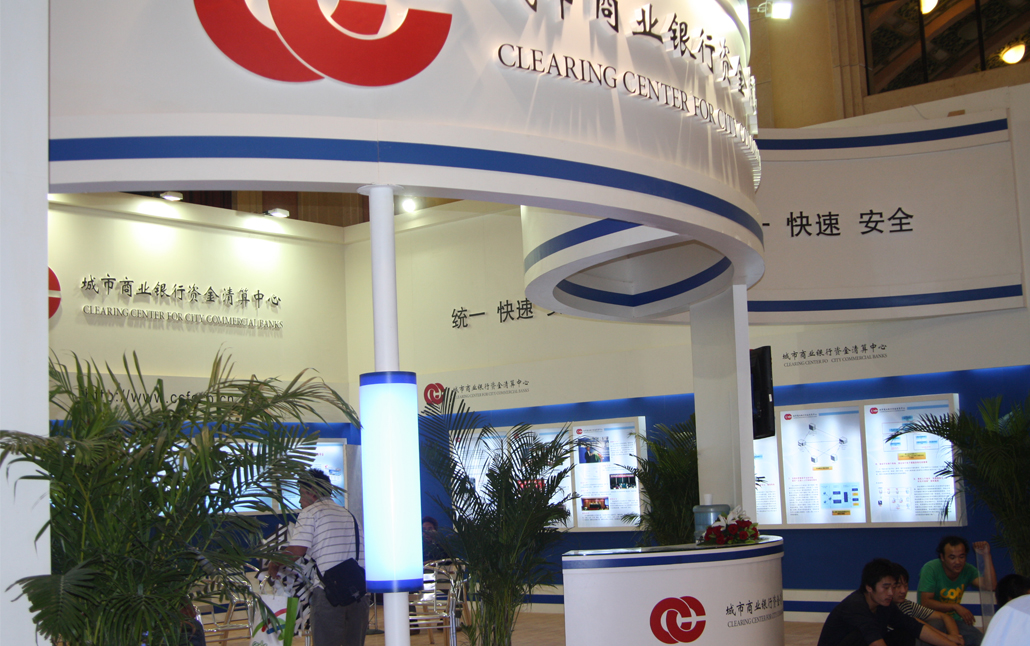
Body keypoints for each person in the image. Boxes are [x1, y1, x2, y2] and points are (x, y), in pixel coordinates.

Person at [268, 469, 368, 646]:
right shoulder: (349, 514)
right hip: (359, 593)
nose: (300, 501)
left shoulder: (311, 513)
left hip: (330, 595)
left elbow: (296, 550)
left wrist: (274, 563)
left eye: (301, 494)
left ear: (312, 492)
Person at [817, 558, 960, 646]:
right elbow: (874, 641)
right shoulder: (855, 606)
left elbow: (913, 626)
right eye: (885, 588)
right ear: (869, 587)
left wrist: (949, 642)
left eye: (893, 587)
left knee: (904, 634)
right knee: (864, 635)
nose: (891, 593)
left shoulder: (884, 604)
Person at [917, 537, 995, 646]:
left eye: (961, 557)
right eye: (952, 557)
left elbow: (990, 586)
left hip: (955, 621)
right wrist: (955, 606)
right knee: (933, 636)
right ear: (942, 557)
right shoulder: (931, 568)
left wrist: (986, 555)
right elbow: (925, 603)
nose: (958, 562)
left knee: (980, 640)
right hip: (932, 618)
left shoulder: (968, 570)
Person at [889, 563, 962, 646]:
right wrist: (947, 638)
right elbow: (916, 624)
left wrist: (955, 637)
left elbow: (944, 616)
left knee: (937, 623)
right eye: (898, 586)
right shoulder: (883, 609)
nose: (903, 591)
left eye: (906, 586)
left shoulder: (907, 605)